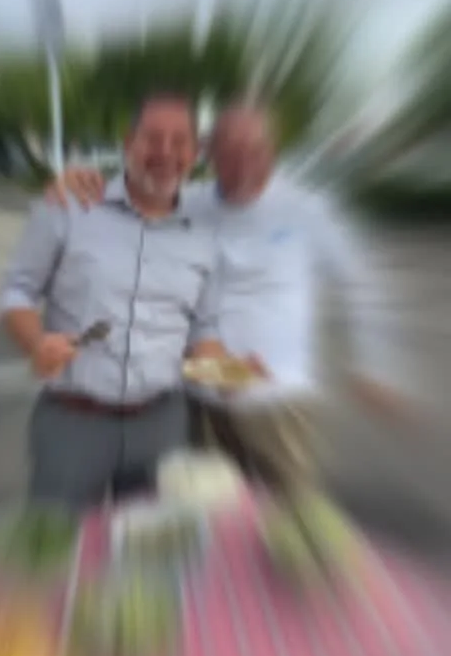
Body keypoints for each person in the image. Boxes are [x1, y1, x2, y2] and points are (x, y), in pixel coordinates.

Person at [44, 99, 411, 497]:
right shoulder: (186, 204)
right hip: (198, 399)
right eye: (229, 152)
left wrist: (376, 367)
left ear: (271, 151)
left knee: (287, 512)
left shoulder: (306, 211)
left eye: (254, 151)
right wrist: (74, 185)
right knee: (199, 508)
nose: (242, 164)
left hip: (276, 404)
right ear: (208, 152)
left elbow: (360, 285)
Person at [0, 93, 223, 511]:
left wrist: (220, 368)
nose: (165, 152)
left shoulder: (205, 234)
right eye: (151, 138)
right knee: (57, 538)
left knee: (151, 540)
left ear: (195, 153)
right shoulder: (69, 205)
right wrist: (35, 343)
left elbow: (204, 325)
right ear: (127, 142)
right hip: (72, 423)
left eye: (180, 141)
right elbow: (18, 289)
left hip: (163, 423)